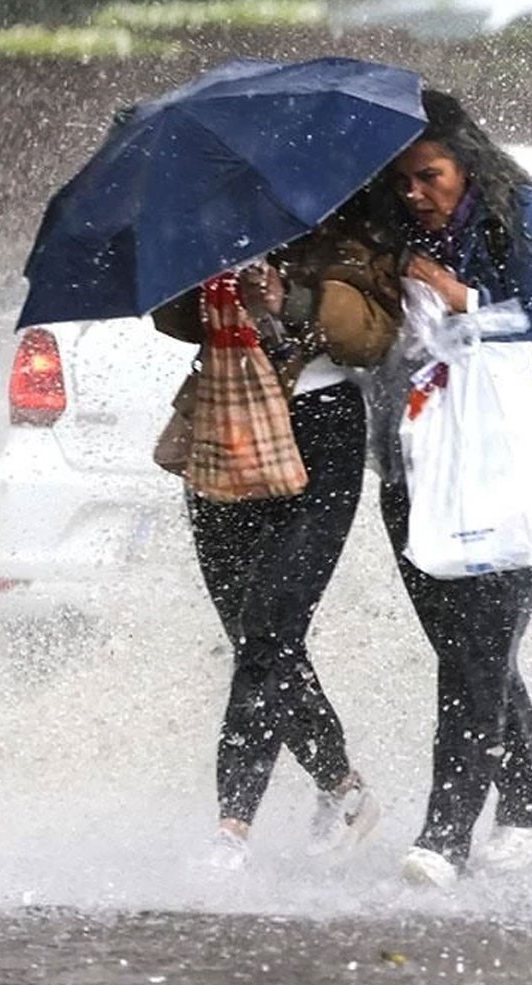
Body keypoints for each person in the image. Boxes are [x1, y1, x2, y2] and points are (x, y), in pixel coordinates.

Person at [371, 89, 532, 887]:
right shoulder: (387, 234)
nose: (416, 196)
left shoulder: (516, 209)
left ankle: (444, 835)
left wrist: (460, 301)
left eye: (429, 177)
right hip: (417, 451)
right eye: (401, 183)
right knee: (464, 644)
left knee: (481, 643)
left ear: (467, 163)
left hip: (516, 446)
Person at [151, 202, 400, 870]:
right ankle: (344, 787)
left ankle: (232, 827)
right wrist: (197, 268)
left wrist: (288, 297)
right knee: (252, 640)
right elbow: (170, 319)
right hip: (224, 419)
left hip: (322, 431)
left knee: (269, 631)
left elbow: (371, 338)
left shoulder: (352, 226)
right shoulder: (215, 221)